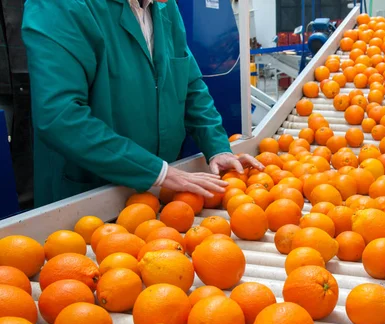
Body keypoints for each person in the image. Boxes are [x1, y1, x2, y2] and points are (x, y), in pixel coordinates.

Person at [21, 0, 263, 207]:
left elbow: (190, 85)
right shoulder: (60, 7)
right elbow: (60, 116)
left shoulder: (163, 7)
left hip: (158, 197)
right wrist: (158, 172)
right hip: (86, 199)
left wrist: (217, 146)